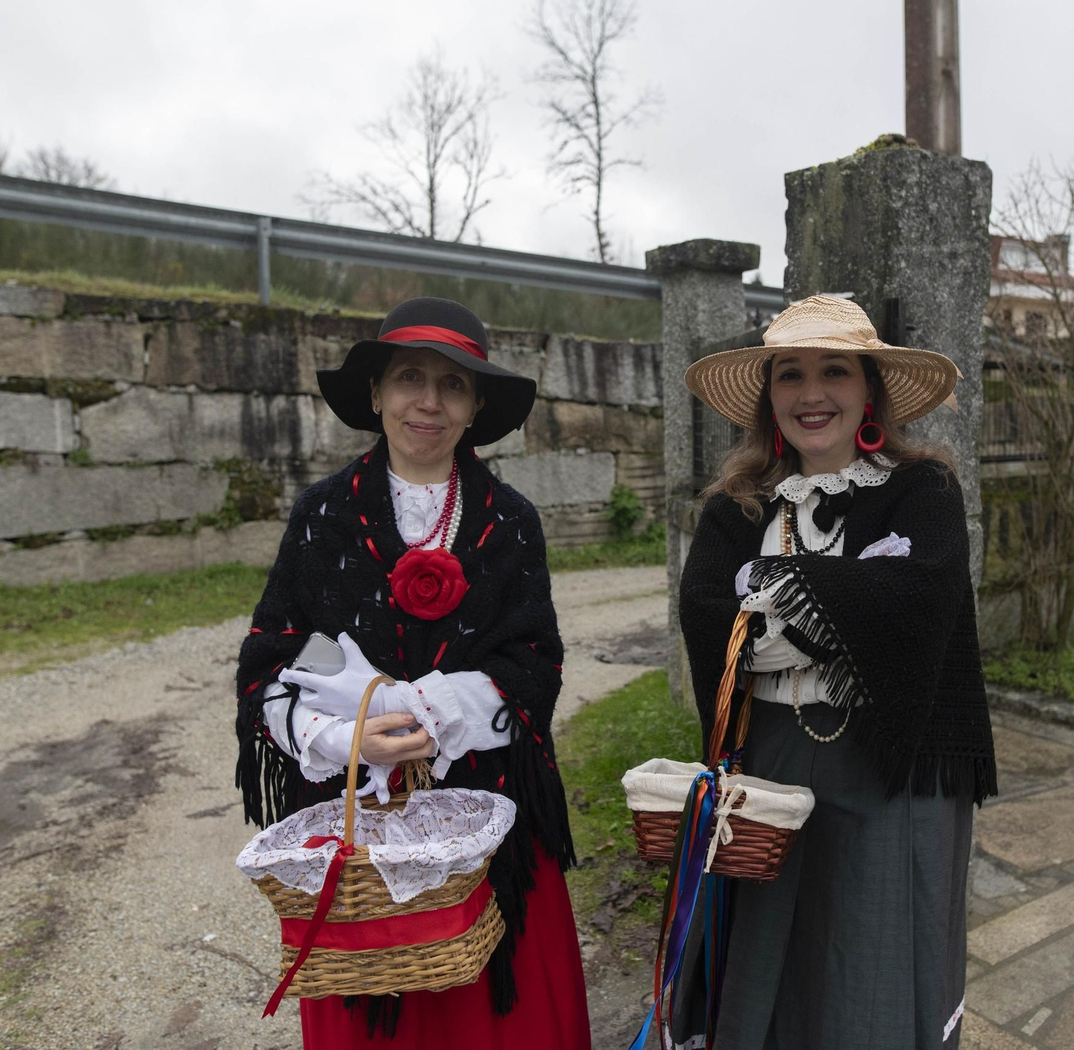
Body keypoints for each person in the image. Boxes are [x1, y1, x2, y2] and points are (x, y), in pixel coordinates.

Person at [234, 297, 591, 1050]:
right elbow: (272, 661)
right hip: (354, 830)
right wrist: (343, 734)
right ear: (375, 394)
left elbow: (535, 666)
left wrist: (437, 710)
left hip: (488, 825)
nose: (428, 401)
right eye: (408, 378)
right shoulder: (321, 515)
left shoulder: (510, 519)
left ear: (476, 405)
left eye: (453, 384)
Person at [675, 294, 997, 1049]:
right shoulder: (735, 507)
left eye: (834, 372)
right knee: (769, 951)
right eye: (790, 374)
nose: (811, 393)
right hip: (773, 752)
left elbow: (924, 601)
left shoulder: (925, 490)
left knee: (869, 956)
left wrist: (772, 592)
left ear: (868, 391)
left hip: (892, 762)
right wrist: (854, 606)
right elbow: (708, 617)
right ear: (768, 398)